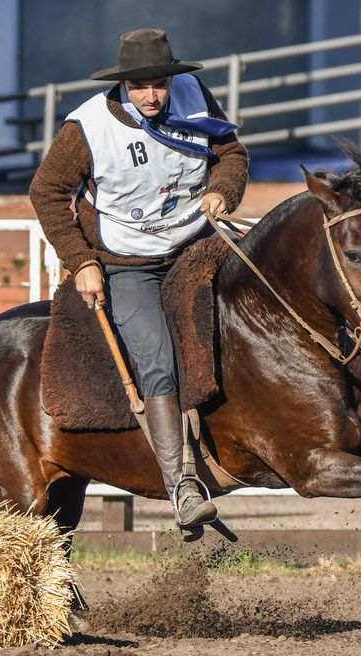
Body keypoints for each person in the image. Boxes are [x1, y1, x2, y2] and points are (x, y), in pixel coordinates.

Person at [30, 28, 249, 529]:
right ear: (123, 85)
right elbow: (46, 192)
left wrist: (222, 190)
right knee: (155, 356)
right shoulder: (86, 129)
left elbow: (231, 154)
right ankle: (183, 486)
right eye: (140, 87)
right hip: (127, 262)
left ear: (172, 80)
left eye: (159, 85)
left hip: (197, 243)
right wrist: (82, 261)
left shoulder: (196, 98)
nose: (151, 97)